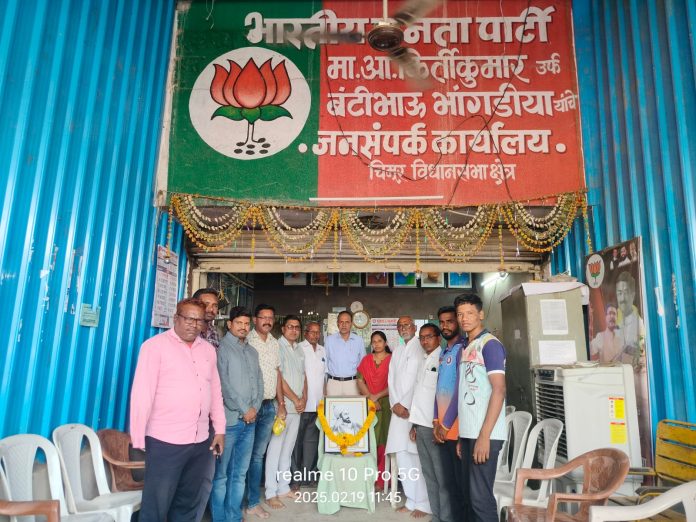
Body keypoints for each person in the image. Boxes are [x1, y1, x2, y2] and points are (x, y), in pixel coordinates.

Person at [130, 297, 225, 522]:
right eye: (188, 319)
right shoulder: (154, 347)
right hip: (165, 441)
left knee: (188, 504)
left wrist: (220, 429)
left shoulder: (208, 350)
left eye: (199, 320)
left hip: (201, 441)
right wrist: (138, 440)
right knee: (156, 505)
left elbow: (215, 391)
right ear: (176, 318)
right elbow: (142, 394)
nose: (194, 325)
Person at [453, 293, 506, 522]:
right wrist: (461, 436)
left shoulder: (490, 345)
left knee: (480, 499)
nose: (464, 318)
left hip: (486, 434)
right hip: (469, 432)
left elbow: (499, 390)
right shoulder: (465, 346)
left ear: (481, 314)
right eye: (460, 314)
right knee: (468, 496)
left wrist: (484, 436)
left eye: (470, 313)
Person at [211, 307, 264, 522]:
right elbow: (224, 386)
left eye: (246, 323)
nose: (243, 327)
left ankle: (234, 517)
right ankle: (220, 518)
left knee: (240, 473)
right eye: (239, 323)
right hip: (229, 422)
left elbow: (259, 382)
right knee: (221, 476)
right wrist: (245, 410)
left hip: (250, 422)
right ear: (229, 324)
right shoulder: (222, 349)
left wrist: (255, 408)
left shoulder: (252, 352)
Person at [386, 316, 430, 517]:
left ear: (414, 327)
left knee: (417, 457)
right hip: (397, 411)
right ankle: (412, 500)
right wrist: (394, 404)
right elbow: (391, 379)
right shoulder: (397, 350)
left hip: (413, 410)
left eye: (406, 325)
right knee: (402, 455)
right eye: (400, 326)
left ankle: (425, 503)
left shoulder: (421, 347)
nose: (403, 328)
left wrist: (405, 404)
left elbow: (419, 381)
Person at [245, 304, 286, 520]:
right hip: (250, 407)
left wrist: (281, 403)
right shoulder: (246, 340)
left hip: (269, 406)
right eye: (263, 317)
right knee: (243, 456)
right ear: (255, 319)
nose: (268, 321)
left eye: (271, 317)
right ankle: (241, 501)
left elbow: (277, 373)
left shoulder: (274, 343)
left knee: (257, 456)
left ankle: (252, 502)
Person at [264, 316, 307, 510]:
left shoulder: (299, 349)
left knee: (287, 450)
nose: (294, 330)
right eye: (290, 327)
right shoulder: (277, 346)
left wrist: (304, 399)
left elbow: (304, 377)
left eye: (297, 327)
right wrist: (295, 400)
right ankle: (270, 492)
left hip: (297, 409)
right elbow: (278, 378)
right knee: (275, 450)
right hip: (282, 409)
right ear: (283, 329)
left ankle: (283, 487)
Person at [409, 324, 449, 522]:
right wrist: (414, 425)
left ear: (438, 338)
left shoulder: (443, 359)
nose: (425, 341)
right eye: (422, 338)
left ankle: (446, 517)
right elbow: (419, 395)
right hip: (421, 425)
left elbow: (444, 396)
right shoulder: (424, 359)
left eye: (429, 337)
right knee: (429, 474)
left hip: (435, 427)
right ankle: (437, 516)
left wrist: (439, 425)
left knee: (442, 477)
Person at [432, 306, 465, 517]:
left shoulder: (463, 349)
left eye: (450, 321)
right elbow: (438, 389)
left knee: (461, 487)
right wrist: (436, 421)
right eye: (442, 322)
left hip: (456, 430)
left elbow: (461, 391)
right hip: (443, 431)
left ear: (458, 322)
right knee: (450, 484)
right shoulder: (445, 352)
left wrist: (446, 426)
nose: (445, 326)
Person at [291, 321, 325, 491]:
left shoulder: (322, 350)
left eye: (318, 332)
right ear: (305, 333)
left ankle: (308, 476)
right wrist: (300, 398)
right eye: (312, 332)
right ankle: (295, 478)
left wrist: (324, 400)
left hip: (318, 405)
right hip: (302, 403)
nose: (315, 335)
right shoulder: (298, 348)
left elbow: (324, 377)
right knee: (296, 442)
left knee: (311, 442)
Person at [356, 331, 392, 488]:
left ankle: (382, 480)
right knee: (368, 440)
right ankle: (368, 478)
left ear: (385, 343)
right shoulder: (366, 360)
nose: (376, 344)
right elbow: (359, 380)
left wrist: (377, 397)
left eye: (379, 341)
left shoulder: (392, 360)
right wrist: (371, 398)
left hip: (387, 405)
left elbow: (395, 384)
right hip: (369, 404)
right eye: (374, 341)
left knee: (385, 440)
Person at [324, 310, 365, 396]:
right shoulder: (329, 340)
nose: (344, 325)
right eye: (341, 322)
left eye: (347, 322)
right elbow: (325, 364)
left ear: (351, 324)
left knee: (353, 405)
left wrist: (361, 385)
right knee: (332, 405)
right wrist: (324, 385)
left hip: (353, 384)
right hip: (333, 384)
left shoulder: (359, 341)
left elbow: (363, 364)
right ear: (337, 323)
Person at [615, 271, 646, 369]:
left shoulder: (641, 325)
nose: (622, 299)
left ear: (633, 295)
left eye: (626, 293)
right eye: (619, 293)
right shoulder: (616, 326)